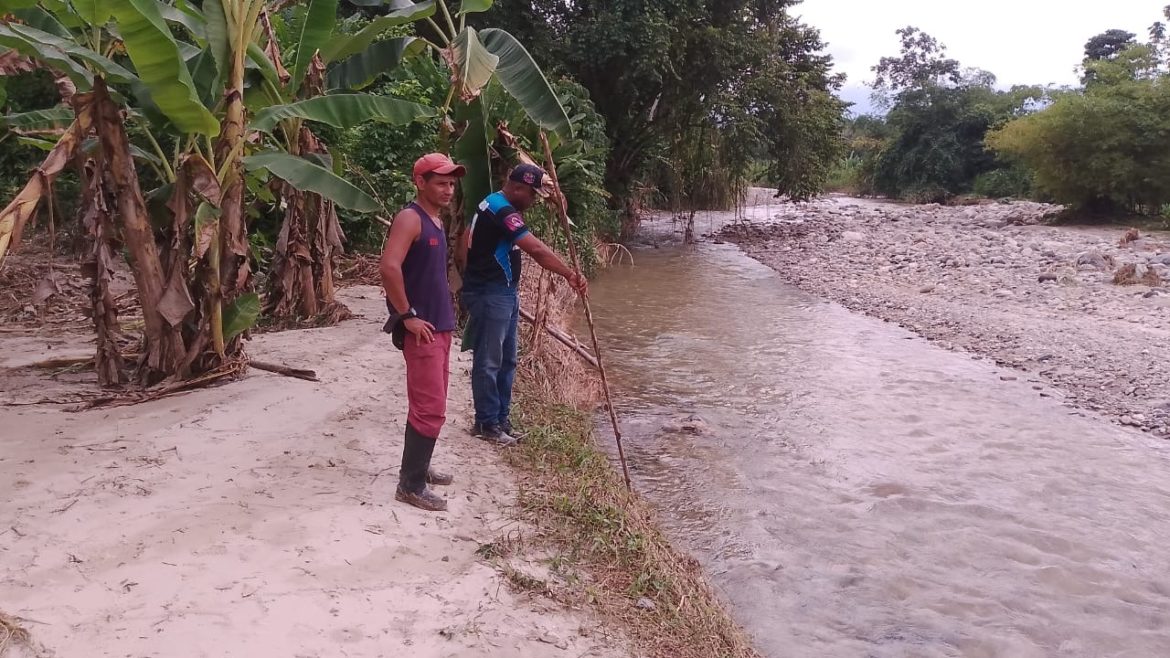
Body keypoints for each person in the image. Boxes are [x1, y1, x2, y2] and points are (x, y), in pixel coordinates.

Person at [459, 163, 588, 445]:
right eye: (532, 194)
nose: (534, 201)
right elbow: (536, 249)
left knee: (507, 359)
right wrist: (569, 273)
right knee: (489, 360)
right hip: (492, 293)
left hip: (503, 291)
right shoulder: (501, 209)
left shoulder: (495, 204)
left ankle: (501, 419)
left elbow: (465, 238)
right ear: (517, 187)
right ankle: (487, 422)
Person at [379, 152, 466, 512]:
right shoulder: (410, 218)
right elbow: (388, 267)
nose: (448, 190)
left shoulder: (437, 221)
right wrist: (407, 315)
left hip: (440, 325)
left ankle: (420, 467)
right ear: (421, 183)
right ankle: (410, 484)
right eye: (441, 183)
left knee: (434, 402)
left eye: (451, 183)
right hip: (422, 328)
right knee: (429, 406)